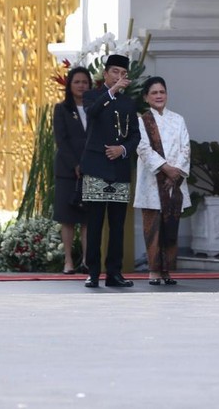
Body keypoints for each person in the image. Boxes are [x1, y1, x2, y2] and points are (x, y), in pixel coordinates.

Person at [80, 54, 141, 288]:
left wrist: (123, 149)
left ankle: (114, 273)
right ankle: (93, 271)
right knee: (95, 223)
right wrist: (112, 90)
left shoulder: (129, 102)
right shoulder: (92, 96)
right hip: (96, 167)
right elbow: (92, 113)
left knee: (117, 225)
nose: (119, 76)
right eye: (114, 72)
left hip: (119, 167)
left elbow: (135, 134)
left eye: (123, 73)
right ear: (105, 74)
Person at [134, 77, 190, 285]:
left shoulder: (178, 119)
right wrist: (165, 168)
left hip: (174, 182)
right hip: (152, 181)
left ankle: (167, 270)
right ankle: (154, 271)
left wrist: (176, 172)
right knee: (153, 225)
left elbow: (186, 148)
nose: (159, 96)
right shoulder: (142, 121)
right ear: (146, 97)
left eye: (162, 92)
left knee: (171, 226)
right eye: (154, 93)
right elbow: (143, 148)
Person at [53, 66, 91, 274]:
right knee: (67, 218)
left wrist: (89, 164)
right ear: (69, 85)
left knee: (87, 218)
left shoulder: (95, 108)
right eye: (77, 82)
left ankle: (86, 260)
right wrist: (76, 164)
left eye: (84, 82)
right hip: (68, 171)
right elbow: (62, 141)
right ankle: (68, 261)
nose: (81, 86)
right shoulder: (62, 109)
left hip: (91, 169)